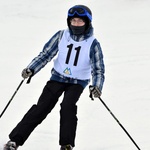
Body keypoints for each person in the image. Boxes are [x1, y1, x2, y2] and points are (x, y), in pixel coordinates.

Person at [4, 4, 105, 150]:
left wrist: (97, 86)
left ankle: (66, 145)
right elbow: (46, 54)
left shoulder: (93, 44)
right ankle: (14, 141)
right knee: (41, 107)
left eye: (80, 21)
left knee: (67, 107)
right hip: (58, 77)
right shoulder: (61, 35)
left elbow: (98, 69)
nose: (76, 24)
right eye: (73, 21)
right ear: (69, 21)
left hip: (78, 82)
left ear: (87, 23)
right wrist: (31, 69)